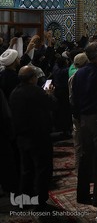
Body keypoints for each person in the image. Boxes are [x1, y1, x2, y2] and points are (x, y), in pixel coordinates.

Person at [70, 25, 97, 206]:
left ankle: (81, 195)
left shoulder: (78, 74)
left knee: (85, 156)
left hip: (84, 120)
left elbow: (74, 99)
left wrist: (78, 117)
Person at [8, 64, 57, 211]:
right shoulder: (36, 91)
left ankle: (25, 200)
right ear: (32, 78)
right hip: (38, 136)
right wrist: (50, 94)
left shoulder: (14, 92)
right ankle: (40, 202)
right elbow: (52, 105)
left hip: (22, 137)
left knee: (26, 170)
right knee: (42, 170)